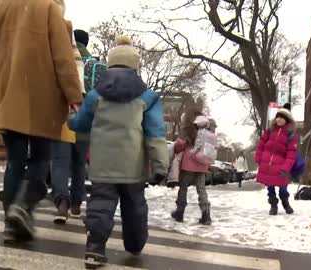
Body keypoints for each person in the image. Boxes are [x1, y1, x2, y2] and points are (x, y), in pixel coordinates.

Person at [0, 0, 83, 243]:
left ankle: (10, 224)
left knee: (15, 159)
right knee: (41, 159)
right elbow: (63, 60)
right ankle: (22, 207)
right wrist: (74, 96)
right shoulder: (49, 9)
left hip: (7, 97)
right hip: (41, 99)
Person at [68, 35, 169, 265]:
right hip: (133, 167)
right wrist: (161, 167)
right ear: (136, 65)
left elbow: (81, 124)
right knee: (135, 207)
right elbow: (155, 135)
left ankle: (95, 246)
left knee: (101, 205)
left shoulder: (95, 96)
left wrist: (70, 117)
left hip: (102, 165)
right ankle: (134, 244)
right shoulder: (148, 98)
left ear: (111, 64)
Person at [49, 0, 89, 224]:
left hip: (64, 113)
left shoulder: (62, 53)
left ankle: (61, 203)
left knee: (60, 161)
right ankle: (76, 202)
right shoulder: (95, 64)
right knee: (79, 163)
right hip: (85, 118)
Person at [171, 112, 212, 226]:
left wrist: (177, 144)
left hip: (188, 164)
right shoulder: (206, 130)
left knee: (183, 188)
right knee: (201, 189)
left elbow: (180, 145)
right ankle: (206, 214)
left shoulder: (188, 130)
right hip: (202, 163)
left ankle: (180, 211)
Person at [255, 108, 297, 215]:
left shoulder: (290, 134)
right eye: (278, 117)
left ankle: (285, 202)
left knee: (283, 188)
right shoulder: (269, 131)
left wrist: (286, 167)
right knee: (270, 188)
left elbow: (291, 153)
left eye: (282, 118)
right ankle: (273, 205)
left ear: (286, 120)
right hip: (267, 165)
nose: (279, 119)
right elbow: (261, 145)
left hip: (281, 166)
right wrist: (259, 158)